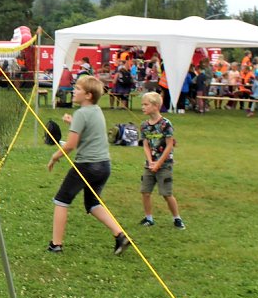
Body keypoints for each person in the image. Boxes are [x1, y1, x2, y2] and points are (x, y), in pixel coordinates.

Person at [46, 75, 130, 255]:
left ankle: (56, 245)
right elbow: (89, 130)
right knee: (92, 203)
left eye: (77, 89)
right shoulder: (96, 110)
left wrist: (55, 156)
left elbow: (70, 145)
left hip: (87, 166)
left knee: (61, 200)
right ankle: (120, 235)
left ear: (88, 95)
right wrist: (72, 123)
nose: (74, 91)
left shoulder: (81, 114)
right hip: (104, 166)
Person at [138, 92, 185, 229]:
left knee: (166, 193)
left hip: (164, 165)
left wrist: (158, 164)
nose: (143, 107)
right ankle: (149, 218)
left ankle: (177, 218)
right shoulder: (144, 125)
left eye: (146, 104)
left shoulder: (165, 124)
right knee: (145, 192)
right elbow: (146, 144)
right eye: (142, 104)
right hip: (150, 165)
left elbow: (169, 145)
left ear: (156, 106)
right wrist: (150, 161)